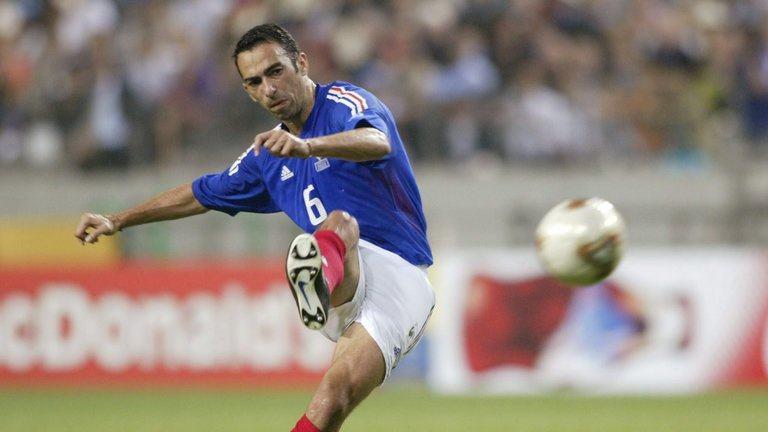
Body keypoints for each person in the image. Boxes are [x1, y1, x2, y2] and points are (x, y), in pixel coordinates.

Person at [74, 23, 435, 432]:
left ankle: (316, 276)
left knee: (330, 400)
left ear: (301, 63)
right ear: (247, 91)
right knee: (335, 231)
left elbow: (377, 141)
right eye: (255, 82)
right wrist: (118, 219)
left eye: (275, 71)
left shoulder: (343, 103)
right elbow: (199, 194)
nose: (269, 88)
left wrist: (310, 146)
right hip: (343, 288)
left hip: (397, 272)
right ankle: (317, 280)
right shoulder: (266, 155)